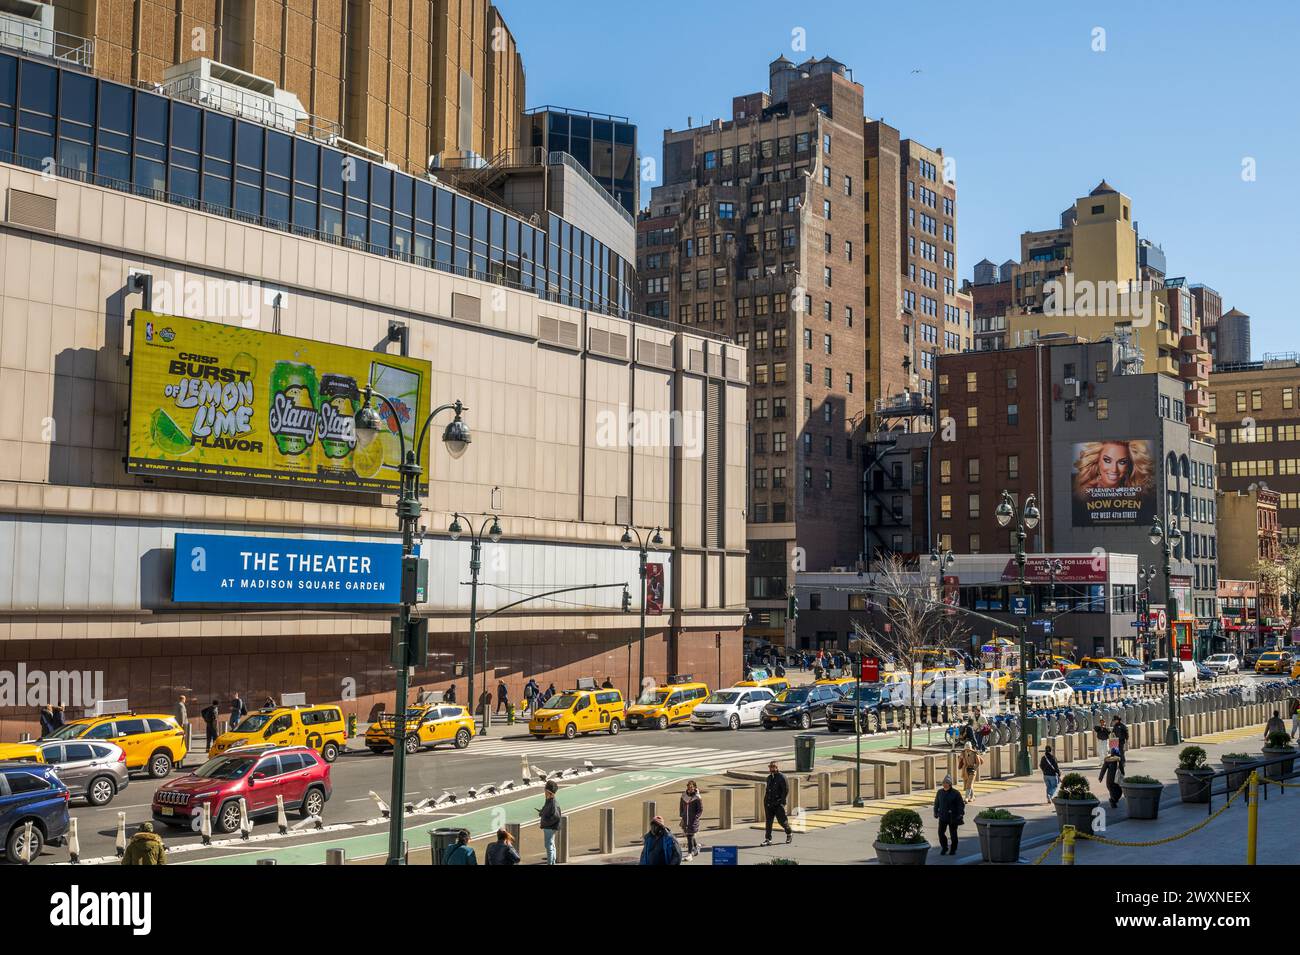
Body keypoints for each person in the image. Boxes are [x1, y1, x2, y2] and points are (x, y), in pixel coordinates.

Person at [761, 761, 793, 846]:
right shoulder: (769, 778)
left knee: (782, 821)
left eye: (774, 766)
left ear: (777, 767)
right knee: (768, 822)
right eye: (770, 767)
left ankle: (789, 833)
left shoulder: (782, 777)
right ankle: (768, 839)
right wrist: (765, 801)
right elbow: (768, 791)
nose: (772, 768)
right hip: (769, 803)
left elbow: (785, 790)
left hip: (778, 804)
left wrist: (782, 803)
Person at [933, 775, 965, 856]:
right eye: (944, 782)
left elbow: (960, 805)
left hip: (953, 817)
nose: (945, 784)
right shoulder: (939, 792)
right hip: (943, 816)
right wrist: (935, 812)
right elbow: (936, 803)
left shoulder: (956, 793)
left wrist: (960, 814)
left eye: (947, 783)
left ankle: (953, 849)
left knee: (953, 835)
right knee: (940, 833)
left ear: (950, 784)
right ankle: (944, 847)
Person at [538, 781, 562, 864]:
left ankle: (550, 863)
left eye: (545, 790)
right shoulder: (550, 800)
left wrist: (547, 822)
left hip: (549, 827)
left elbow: (556, 816)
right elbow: (549, 812)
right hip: (550, 827)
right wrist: (542, 812)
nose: (544, 792)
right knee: (551, 845)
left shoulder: (552, 802)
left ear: (548, 792)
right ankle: (553, 862)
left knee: (548, 846)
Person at [679, 780, 704, 858]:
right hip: (685, 819)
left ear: (695, 787)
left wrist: (696, 817)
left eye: (692, 787)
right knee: (690, 835)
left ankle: (690, 854)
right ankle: (696, 847)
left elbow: (700, 809)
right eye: (689, 787)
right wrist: (682, 817)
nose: (690, 789)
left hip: (693, 820)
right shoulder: (684, 795)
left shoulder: (697, 797)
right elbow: (681, 807)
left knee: (689, 835)